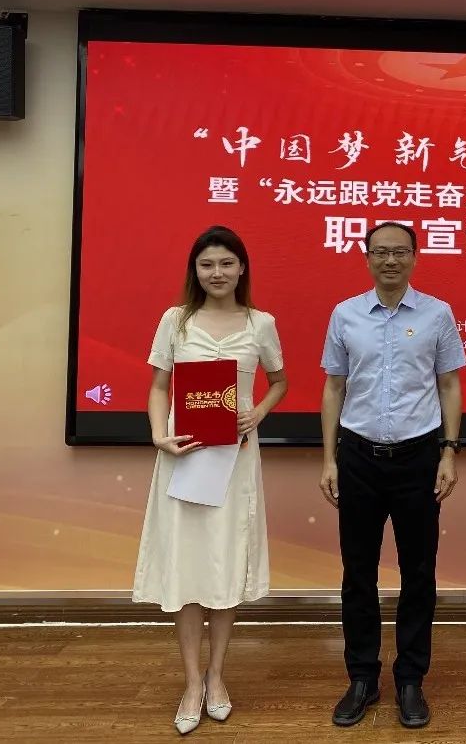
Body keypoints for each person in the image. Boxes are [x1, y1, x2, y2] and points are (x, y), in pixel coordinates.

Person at [132, 225, 287, 735]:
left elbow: (279, 382)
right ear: (194, 271)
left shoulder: (261, 323)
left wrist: (257, 412)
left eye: (226, 263)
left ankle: (217, 676)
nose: (216, 273)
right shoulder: (175, 321)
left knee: (223, 563)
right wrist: (159, 435)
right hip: (184, 457)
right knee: (186, 566)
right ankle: (191, 682)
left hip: (234, 461)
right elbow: (159, 386)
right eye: (207, 264)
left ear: (241, 268)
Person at [319, 222, 466, 729]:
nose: (390, 261)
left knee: (418, 572)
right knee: (357, 572)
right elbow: (333, 388)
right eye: (380, 252)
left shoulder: (437, 314)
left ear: (415, 257)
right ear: (366, 257)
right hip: (358, 456)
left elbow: (449, 385)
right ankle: (362, 677)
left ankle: (410, 679)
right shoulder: (345, 314)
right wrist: (329, 459)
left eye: (399, 252)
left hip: (418, 458)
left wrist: (449, 452)